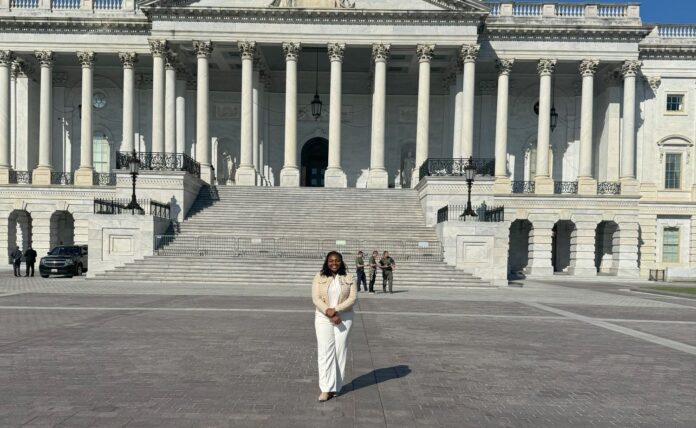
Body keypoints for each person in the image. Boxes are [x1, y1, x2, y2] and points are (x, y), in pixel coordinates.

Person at [312, 251, 357, 402]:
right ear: (326, 262)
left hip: (344, 317)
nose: (334, 263)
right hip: (323, 316)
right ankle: (325, 389)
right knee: (325, 352)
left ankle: (336, 387)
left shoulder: (348, 277)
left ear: (341, 261)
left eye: (337, 260)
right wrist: (329, 312)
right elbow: (316, 298)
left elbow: (352, 298)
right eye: (331, 260)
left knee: (339, 351)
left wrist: (336, 310)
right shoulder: (319, 276)